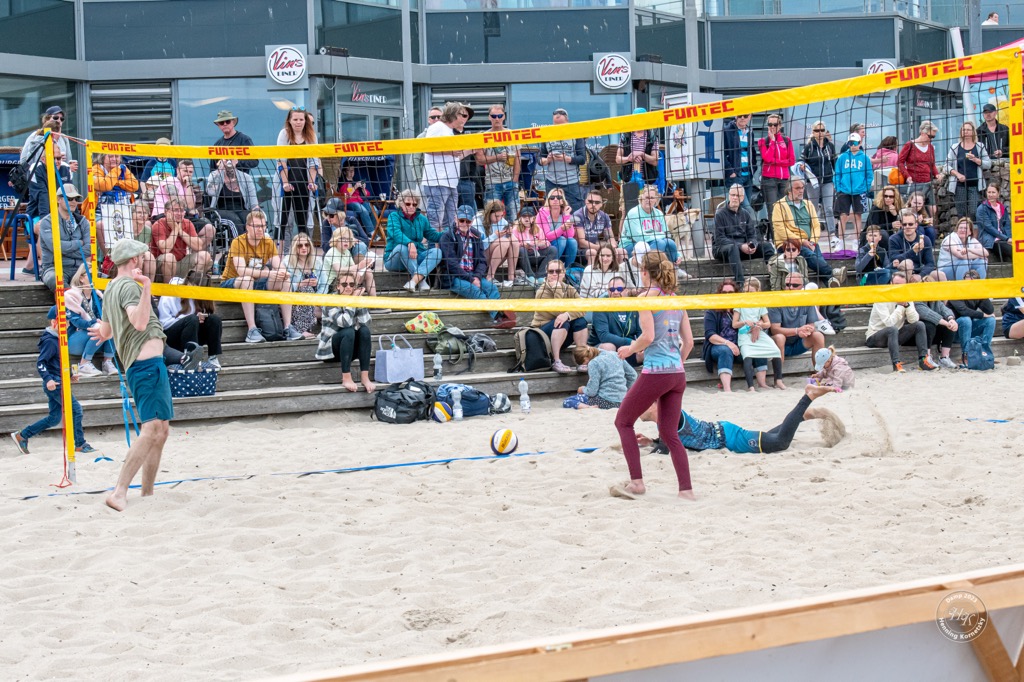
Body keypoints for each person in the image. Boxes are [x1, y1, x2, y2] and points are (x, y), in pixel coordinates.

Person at [88, 239, 174, 512]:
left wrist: (101, 332)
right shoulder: (128, 286)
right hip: (146, 366)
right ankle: (119, 491)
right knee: (152, 430)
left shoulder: (111, 287)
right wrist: (147, 286)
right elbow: (139, 322)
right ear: (134, 260)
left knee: (161, 430)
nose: (144, 260)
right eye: (142, 256)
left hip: (145, 366)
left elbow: (106, 332)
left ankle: (147, 492)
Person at [611, 251, 695, 501]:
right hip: (677, 373)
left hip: (657, 371)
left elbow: (647, 337)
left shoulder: (645, 298)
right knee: (670, 434)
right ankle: (686, 490)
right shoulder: (676, 300)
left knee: (623, 422)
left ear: (645, 272)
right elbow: (689, 343)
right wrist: (676, 365)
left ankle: (637, 483)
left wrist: (629, 350)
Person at [633, 383, 842, 458]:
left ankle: (808, 396)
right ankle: (803, 416)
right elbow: (672, 442)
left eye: (641, 404)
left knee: (780, 443)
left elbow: (664, 449)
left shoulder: (669, 416)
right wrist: (651, 441)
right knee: (771, 437)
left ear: (654, 405)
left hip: (728, 438)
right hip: (723, 432)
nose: (636, 410)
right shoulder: (665, 421)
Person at [10, 306, 95, 457]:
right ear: (54, 322)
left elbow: (57, 362)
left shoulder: (59, 339)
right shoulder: (50, 341)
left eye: (67, 322)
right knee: (76, 410)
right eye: (63, 322)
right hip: (55, 383)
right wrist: (48, 379)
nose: (66, 325)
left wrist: (70, 375)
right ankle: (80, 444)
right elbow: (41, 363)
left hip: (59, 380)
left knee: (54, 419)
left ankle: (22, 435)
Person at [220, 209, 303, 343]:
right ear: (248, 227)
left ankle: (288, 327)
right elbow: (242, 271)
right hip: (231, 283)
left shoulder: (268, 242)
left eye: (263, 226)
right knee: (247, 279)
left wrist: (283, 272)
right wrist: (269, 273)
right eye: (257, 226)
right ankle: (252, 330)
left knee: (285, 281)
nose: (260, 229)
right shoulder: (238, 242)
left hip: (257, 282)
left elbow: (278, 265)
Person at [440, 205, 515, 330]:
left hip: (473, 275)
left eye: (468, 221)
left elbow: (482, 261)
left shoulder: (476, 235)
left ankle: (500, 316)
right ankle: (499, 317)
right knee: (475, 291)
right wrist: (471, 279)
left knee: (491, 287)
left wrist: (477, 277)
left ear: (472, 221)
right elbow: (451, 264)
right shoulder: (447, 236)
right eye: (461, 220)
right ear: (455, 218)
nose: (464, 224)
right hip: (453, 277)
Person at [771, 178, 844, 287]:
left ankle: (831, 283)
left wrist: (813, 241)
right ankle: (833, 273)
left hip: (810, 243)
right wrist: (802, 241)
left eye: (802, 188)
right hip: (788, 244)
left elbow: (816, 225)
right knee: (811, 256)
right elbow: (781, 230)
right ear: (789, 190)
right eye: (797, 188)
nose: (801, 191)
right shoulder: (779, 206)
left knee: (817, 259)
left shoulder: (808, 204)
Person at [864, 270, 937, 372]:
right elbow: (889, 323)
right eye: (896, 284)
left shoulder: (906, 296)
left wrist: (907, 305)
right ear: (891, 284)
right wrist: (900, 306)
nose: (899, 287)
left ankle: (923, 361)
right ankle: (896, 364)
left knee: (920, 325)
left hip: (895, 334)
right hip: (875, 336)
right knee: (892, 329)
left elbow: (914, 320)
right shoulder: (881, 297)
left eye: (902, 285)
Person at [314, 276, 375, 393]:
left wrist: (359, 301)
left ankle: (365, 377)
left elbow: (366, 322)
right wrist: (352, 301)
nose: (348, 287)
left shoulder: (355, 298)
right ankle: (346, 377)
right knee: (349, 331)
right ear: (337, 286)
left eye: (352, 285)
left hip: (349, 349)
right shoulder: (330, 301)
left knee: (364, 331)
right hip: (330, 351)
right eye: (344, 284)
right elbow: (344, 323)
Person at [157, 269, 224, 368]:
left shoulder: (200, 298)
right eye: (193, 289)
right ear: (187, 282)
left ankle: (213, 357)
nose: (195, 293)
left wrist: (202, 318)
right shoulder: (170, 294)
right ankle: (190, 357)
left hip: (192, 333)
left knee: (214, 319)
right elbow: (163, 324)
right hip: (170, 336)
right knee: (192, 319)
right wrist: (187, 319)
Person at [422, 101, 473, 232]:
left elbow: (452, 157)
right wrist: (450, 152)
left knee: (450, 223)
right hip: (437, 181)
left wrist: (471, 150)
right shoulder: (437, 127)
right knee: (434, 222)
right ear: (454, 115)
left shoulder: (449, 131)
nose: (464, 119)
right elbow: (427, 148)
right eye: (462, 115)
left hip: (451, 182)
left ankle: (447, 244)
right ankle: (432, 245)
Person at [531, 260, 589, 373]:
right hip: (542, 335)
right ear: (547, 273)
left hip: (561, 333)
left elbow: (583, 308)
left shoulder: (569, 288)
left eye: (558, 271)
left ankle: (581, 360)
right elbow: (559, 311)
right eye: (551, 271)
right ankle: (556, 361)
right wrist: (557, 289)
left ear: (563, 273)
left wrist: (568, 314)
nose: (554, 274)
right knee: (562, 322)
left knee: (580, 322)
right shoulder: (542, 291)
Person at [769, 271, 826, 382]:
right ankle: (778, 380)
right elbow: (775, 329)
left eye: (795, 285)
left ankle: (819, 376)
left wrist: (807, 330)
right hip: (778, 344)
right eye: (787, 285)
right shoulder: (776, 300)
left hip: (797, 342)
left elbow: (811, 324)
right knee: (780, 337)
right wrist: (797, 331)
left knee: (818, 336)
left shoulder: (807, 300)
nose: (790, 288)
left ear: (802, 287)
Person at [713, 183, 773, 286]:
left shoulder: (746, 214)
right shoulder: (720, 214)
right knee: (733, 248)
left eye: (738, 195)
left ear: (742, 198)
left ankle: (774, 276)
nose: (735, 198)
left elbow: (752, 235)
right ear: (729, 196)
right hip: (723, 248)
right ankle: (740, 283)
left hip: (743, 249)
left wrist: (752, 244)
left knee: (767, 246)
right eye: (733, 195)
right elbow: (719, 239)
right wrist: (740, 246)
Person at [384, 188, 443, 291]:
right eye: (408, 204)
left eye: (414, 204)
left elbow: (433, 235)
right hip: (394, 260)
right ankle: (421, 281)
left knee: (437, 252)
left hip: (415, 256)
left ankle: (414, 281)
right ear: (401, 204)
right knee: (402, 247)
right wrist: (409, 243)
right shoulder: (393, 216)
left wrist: (450, 231)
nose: (411, 206)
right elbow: (396, 233)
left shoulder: (422, 219)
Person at [275, 107, 321, 240]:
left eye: (301, 119)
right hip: (285, 180)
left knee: (302, 220)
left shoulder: (311, 135)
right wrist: (285, 183)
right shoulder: (284, 134)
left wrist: (311, 182)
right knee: (282, 221)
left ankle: (303, 248)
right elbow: (281, 161)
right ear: (289, 120)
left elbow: (314, 162)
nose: (298, 122)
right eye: (295, 119)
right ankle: (280, 250)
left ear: (305, 120)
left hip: (303, 182)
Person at [37, 183, 91, 292]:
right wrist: (78, 243)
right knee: (55, 280)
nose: (74, 202)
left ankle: (83, 301)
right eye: (69, 198)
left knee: (104, 279)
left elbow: (89, 249)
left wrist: (63, 250)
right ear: (58, 199)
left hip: (79, 268)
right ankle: (73, 300)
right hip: (53, 267)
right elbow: (55, 247)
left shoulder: (83, 221)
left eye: (76, 199)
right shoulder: (47, 222)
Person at [65, 264, 116, 377]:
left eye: (97, 275)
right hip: (74, 339)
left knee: (111, 326)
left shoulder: (98, 295)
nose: (95, 278)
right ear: (81, 278)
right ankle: (84, 364)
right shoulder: (70, 295)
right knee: (100, 327)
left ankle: (107, 362)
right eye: (92, 275)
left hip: (96, 340)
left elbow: (106, 317)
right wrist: (95, 323)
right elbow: (76, 322)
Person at [733, 278, 783, 391]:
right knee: (747, 355)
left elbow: (768, 323)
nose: (748, 294)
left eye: (751, 292)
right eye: (746, 291)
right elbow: (734, 324)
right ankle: (751, 387)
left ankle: (778, 381)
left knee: (776, 351)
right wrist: (744, 322)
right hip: (745, 334)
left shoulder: (760, 304)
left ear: (757, 291)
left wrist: (760, 325)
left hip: (759, 333)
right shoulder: (740, 303)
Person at [150, 198, 213, 283]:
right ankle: (168, 289)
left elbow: (198, 246)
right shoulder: (158, 224)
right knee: (169, 257)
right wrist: (175, 230)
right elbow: (165, 250)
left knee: (205, 256)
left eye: (182, 210)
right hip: (160, 267)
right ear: (166, 212)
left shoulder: (187, 223)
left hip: (180, 263)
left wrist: (180, 231)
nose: (179, 213)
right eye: (176, 210)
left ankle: (190, 285)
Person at [475, 104, 521, 220]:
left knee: (512, 216)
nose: (497, 119)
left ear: (504, 116)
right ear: (489, 117)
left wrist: (515, 179)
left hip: (510, 181)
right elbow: (479, 160)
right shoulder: (484, 136)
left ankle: (511, 233)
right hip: (492, 182)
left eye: (499, 116)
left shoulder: (512, 134)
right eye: (494, 116)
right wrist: (497, 157)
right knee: (491, 217)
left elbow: (518, 158)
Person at [620, 185, 682, 267]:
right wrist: (660, 235)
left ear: (656, 200)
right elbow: (638, 237)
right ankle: (651, 269)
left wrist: (678, 254)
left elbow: (667, 235)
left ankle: (673, 268)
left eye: (652, 198)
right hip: (631, 245)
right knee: (661, 242)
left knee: (670, 243)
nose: (648, 200)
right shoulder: (634, 213)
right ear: (641, 198)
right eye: (646, 197)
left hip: (654, 243)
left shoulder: (659, 213)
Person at [538, 108, 586, 212]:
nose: (558, 127)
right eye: (556, 125)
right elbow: (539, 159)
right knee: (551, 214)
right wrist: (547, 160)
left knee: (575, 214)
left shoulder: (576, 134)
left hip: (571, 182)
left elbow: (583, 159)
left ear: (567, 121)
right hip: (552, 182)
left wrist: (568, 159)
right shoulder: (547, 135)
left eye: (561, 125)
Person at [564, 345, 636, 409]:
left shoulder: (594, 363)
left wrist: (582, 389)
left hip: (604, 400)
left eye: (585, 364)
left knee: (568, 401)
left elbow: (592, 391)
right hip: (621, 401)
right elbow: (633, 375)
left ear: (585, 359)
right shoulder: (615, 355)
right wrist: (624, 389)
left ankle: (588, 407)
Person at [945, 121, 991, 224]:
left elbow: (988, 164)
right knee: (961, 213)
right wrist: (957, 174)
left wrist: (976, 160)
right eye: (964, 130)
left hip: (975, 185)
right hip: (959, 185)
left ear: (973, 132)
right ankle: (962, 233)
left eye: (968, 130)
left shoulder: (979, 146)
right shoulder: (955, 147)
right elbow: (946, 166)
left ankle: (973, 233)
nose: (965, 132)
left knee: (974, 212)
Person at [757, 113, 795, 236]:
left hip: (784, 180)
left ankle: (785, 237)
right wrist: (773, 142)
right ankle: (776, 240)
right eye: (770, 124)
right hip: (769, 180)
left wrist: (776, 162)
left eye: (775, 124)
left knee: (784, 209)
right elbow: (767, 158)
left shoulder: (787, 140)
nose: (773, 127)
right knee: (773, 211)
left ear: (780, 125)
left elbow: (792, 161)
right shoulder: (763, 141)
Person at [897, 121, 942, 224]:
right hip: (914, 183)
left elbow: (932, 164)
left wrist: (936, 174)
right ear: (922, 132)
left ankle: (931, 227)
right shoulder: (910, 145)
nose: (931, 139)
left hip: (927, 183)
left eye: (933, 137)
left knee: (933, 209)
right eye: (930, 136)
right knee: (915, 208)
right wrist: (907, 175)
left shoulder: (930, 147)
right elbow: (900, 162)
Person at [833, 132, 873, 245]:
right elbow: (837, 174)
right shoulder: (842, 157)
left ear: (860, 143)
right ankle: (840, 241)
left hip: (859, 191)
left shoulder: (865, 158)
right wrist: (838, 187)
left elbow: (869, 175)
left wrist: (865, 188)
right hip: (844, 190)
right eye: (850, 143)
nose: (852, 145)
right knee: (842, 216)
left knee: (857, 216)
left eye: (855, 143)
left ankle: (856, 240)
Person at [912, 274, 960, 369]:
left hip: (932, 336)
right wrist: (947, 323)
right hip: (917, 336)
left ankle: (944, 358)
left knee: (949, 326)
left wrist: (951, 319)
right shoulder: (916, 301)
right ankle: (927, 358)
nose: (927, 290)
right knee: (929, 325)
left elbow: (945, 309)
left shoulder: (936, 301)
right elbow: (929, 314)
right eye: (924, 287)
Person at [590, 275, 641, 364]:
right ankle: (612, 372)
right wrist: (630, 342)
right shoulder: (600, 306)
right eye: (612, 289)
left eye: (619, 289)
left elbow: (640, 332)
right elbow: (604, 336)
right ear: (608, 291)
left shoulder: (634, 306)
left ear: (626, 290)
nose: (615, 292)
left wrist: (639, 345)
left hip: (627, 349)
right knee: (609, 347)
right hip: (602, 348)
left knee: (645, 351)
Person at [949, 274, 996, 367]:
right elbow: (963, 311)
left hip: (968, 331)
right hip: (953, 332)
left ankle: (985, 352)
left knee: (991, 320)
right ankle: (967, 355)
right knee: (965, 319)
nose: (969, 285)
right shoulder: (956, 291)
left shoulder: (976, 293)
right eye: (967, 282)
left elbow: (990, 310)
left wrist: (981, 292)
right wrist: (982, 315)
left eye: (972, 283)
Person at [702, 279, 741, 392]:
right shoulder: (712, 311)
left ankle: (761, 384)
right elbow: (710, 335)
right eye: (724, 292)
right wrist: (728, 343)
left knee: (755, 347)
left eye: (731, 293)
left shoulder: (740, 310)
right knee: (725, 351)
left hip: (739, 345)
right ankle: (727, 389)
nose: (727, 295)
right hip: (718, 346)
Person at [800, 120, 836, 237]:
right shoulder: (809, 147)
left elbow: (834, 163)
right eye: (817, 130)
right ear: (813, 132)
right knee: (813, 208)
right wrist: (802, 166)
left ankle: (832, 233)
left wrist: (837, 179)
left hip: (827, 181)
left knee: (829, 208)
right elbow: (801, 161)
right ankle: (812, 232)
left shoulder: (830, 146)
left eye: (822, 130)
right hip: (813, 182)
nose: (819, 133)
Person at [206, 159, 259, 235]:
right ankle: (239, 242)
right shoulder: (214, 175)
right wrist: (219, 170)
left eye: (231, 158)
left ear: (237, 161)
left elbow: (253, 203)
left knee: (249, 220)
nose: (229, 161)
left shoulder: (246, 177)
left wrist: (257, 214)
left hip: (241, 209)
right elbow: (211, 192)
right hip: (221, 211)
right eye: (226, 159)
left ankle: (251, 242)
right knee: (235, 222)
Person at [285, 232, 322, 338]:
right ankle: (301, 329)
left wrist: (318, 298)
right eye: (300, 245)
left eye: (307, 245)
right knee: (306, 289)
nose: (304, 248)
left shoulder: (317, 261)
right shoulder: (287, 262)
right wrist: (300, 284)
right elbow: (286, 285)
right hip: (295, 298)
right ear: (294, 247)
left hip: (315, 298)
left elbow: (324, 284)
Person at [474, 199, 517, 286]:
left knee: (514, 241)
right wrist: (494, 236)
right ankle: (490, 277)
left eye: (501, 216)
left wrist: (509, 234)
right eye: (497, 216)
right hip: (479, 258)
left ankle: (511, 277)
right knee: (503, 242)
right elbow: (477, 246)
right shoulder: (477, 221)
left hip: (496, 256)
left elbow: (509, 240)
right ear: (489, 213)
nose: (499, 219)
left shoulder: (502, 221)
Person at [322, 226, 375, 296]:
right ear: (336, 239)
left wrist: (365, 265)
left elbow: (353, 268)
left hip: (345, 280)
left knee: (368, 272)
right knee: (352, 275)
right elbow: (339, 270)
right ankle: (354, 294)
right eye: (343, 238)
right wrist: (359, 266)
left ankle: (374, 299)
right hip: (332, 284)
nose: (346, 241)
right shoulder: (332, 252)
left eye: (349, 239)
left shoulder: (347, 252)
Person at [574, 190, 622, 266]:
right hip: (578, 251)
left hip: (594, 247)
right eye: (590, 201)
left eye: (597, 202)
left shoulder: (604, 216)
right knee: (592, 253)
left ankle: (619, 273)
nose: (593, 204)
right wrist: (602, 248)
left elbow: (610, 237)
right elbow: (581, 243)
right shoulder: (578, 215)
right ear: (585, 201)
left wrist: (612, 246)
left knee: (621, 252)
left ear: (601, 204)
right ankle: (591, 274)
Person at [722, 113, 758, 214]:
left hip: (748, 176)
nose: (742, 118)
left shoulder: (750, 132)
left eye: (745, 116)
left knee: (741, 210)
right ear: (735, 116)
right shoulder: (727, 130)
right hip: (735, 176)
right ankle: (753, 226)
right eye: (740, 115)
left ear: (750, 117)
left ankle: (738, 225)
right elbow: (722, 152)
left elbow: (752, 152)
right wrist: (730, 171)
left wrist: (753, 168)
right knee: (747, 208)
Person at [511, 205, 556, 285]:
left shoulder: (538, 228)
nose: (527, 218)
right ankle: (530, 275)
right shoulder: (515, 229)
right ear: (520, 218)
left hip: (536, 254)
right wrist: (522, 244)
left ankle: (540, 275)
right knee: (522, 250)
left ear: (533, 218)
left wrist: (540, 244)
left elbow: (547, 242)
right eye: (524, 216)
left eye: (529, 216)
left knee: (553, 249)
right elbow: (512, 245)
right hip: (522, 257)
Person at [537, 187, 578, 269]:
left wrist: (566, 216)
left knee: (572, 241)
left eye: (559, 197)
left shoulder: (565, 213)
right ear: (548, 200)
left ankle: (568, 270)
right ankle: (551, 268)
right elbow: (547, 236)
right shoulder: (542, 214)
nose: (555, 199)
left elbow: (570, 235)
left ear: (562, 201)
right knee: (561, 239)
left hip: (561, 249)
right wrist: (562, 229)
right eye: (552, 198)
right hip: (545, 248)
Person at [615, 112, 660, 185]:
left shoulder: (652, 137)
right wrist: (628, 158)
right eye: (636, 119)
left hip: (647, 182)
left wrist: (642, 155)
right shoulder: (625, 136)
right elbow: (617, 159)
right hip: (628, 180)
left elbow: (655, 161)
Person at [938, 216, 988, 281]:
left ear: (970, 232)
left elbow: (986, 253)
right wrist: (979, 255)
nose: (962, 230)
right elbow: (961, 256)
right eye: (960, 228)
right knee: (964, 262)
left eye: (965, 228)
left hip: (965, 266)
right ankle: (961, 286)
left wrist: (969, 249)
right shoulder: (950, 239)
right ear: (957, 229)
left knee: (982, 262)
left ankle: (979, 285)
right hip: (945, 269)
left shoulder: (972, 240)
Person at [888, 210, 935, 277]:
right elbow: (894, 259)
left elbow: (930, 264)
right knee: (907, 263)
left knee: (939, 275)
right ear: (901, 226)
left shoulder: (925, 239)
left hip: (920, 272)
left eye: (910, 224)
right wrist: (913, 251)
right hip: (900, 273)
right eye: (904, 224)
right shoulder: (893, 239)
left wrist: (920, 275)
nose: (907, 226)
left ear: (916, 225)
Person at [337, 163, 377, 239]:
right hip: (349, 202)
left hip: (360, 201)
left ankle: (370, 233)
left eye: (353, 170)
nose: (351, 172)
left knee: (374, 210)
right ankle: (372, 233)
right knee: (363, 210)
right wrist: (355, 187)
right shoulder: (343, 182)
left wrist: (363, 188)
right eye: (349, 171)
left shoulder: (356, 180)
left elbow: (367, 195)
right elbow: (347, 195)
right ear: (345, 172)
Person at [978, 103, 1009, 196]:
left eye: (990, 112)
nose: (988, 114)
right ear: (983, 114)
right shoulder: (978, 131)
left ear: (995, 113)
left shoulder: (1005, 129)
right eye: (985, 112)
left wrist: (1002, 152)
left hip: (1004, 167)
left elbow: (1012, 147)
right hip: (986, 167)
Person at [976, 183, 1012, 262]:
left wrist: (1009, 238)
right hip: (991, 239)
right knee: (1012, 251)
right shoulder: (981, 208)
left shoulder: (1002, 208)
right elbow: (989, 228)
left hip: (1003, 238)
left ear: (998, 194)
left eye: (993, 192)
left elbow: (1007, 226)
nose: (991, 195)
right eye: (989, 192)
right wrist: (1006, 239)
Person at [412, 107, 443, 185]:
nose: (436, 119)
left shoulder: (448, 135)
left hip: (444, 180)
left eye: (439, 117)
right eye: (433, 117)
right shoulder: (422, 137)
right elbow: (414, 160)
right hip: (426, 180)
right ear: (429, 120)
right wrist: (419, 180)